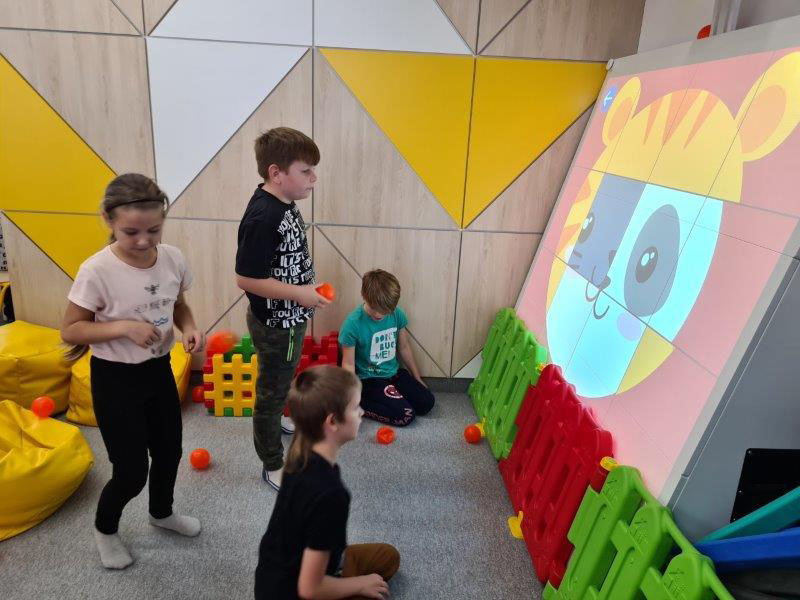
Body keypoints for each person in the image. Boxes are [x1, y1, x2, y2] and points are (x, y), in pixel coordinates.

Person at [60, 173, 204, 570]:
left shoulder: (172, 257)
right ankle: (105, 530)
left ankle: (162, 513)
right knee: (131, 471)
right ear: (108, 220)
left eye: (153, 230)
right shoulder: (96, 270)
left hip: (158, 370)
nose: (143, 241)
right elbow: (71, 329)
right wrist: (123, 327)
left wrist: (190, 328)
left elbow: (179, 305)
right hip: (115, 379)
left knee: (169, 452)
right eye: (131, 232)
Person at [235, 127, 331, 491]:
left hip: (288, 316)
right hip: (277, 323)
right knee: (270, 393)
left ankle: (278, 419)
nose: (313, 178)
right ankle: (272, 462)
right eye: (306, 171)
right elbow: (245, 278)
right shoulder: (264, 217)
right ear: (276, 173)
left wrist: (304, 292)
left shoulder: (283, 202)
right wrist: (300, 293)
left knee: (281, 377)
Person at [254, 365, 400, 600]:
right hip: (295, 591)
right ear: (332, 421)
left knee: (388, 556)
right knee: (373, 589)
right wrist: (359, 584)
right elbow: (310, 589)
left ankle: (339, 571)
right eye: (356, 407)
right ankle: (344, 577)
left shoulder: (301, 451)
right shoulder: (331, 494)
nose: (362, 412)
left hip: (283, 572)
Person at [339, 269, 435, 427]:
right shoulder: (352, 324)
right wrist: (351, 397)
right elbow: (348, 364)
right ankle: (362, 403)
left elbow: (404, 347)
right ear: (364, 296)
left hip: (394, 374)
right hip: (369, 380)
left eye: (385, 311)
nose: (379, 315)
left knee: (427, 402)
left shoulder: (397, 314)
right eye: (374, 308)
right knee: (406, 415)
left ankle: (393, 397)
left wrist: (417, 378)